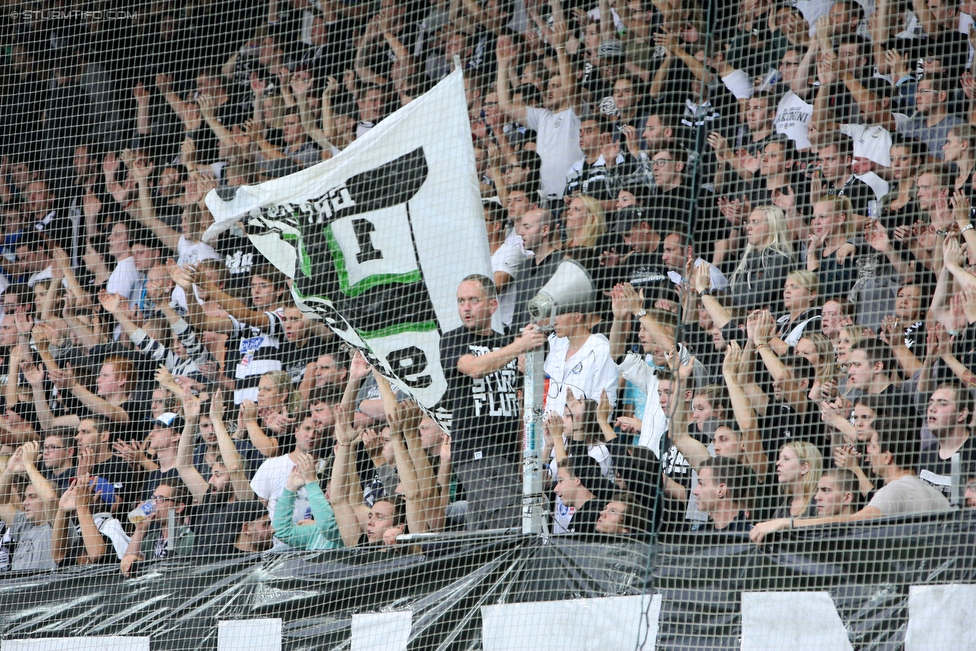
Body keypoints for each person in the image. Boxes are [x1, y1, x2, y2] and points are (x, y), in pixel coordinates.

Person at [439, 274, 545, 531]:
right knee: (515, 520)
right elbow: (475, 368)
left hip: (507, 453)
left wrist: (523, 355)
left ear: (492, 305)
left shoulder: (506, 341)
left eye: (474, 300)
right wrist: (518, 346)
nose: (466, 307)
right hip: (477, 452)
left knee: (484, 533)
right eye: (461, 301)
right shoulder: (452, 339)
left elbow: (520, 395)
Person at [750, 415, 952, 544]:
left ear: (886, 456)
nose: (867, 453)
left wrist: (788, 523)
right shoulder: (933, 493)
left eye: (872, 447)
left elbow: (852, 522)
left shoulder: (895, 491)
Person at [0, 442, 58, 571]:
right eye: (26, 497)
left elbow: (50, 499)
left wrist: (29, 464)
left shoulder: (56, 525)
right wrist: (10, 470)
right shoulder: (24, 524)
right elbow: (1, 503)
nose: (25, 502)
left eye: (32, 497)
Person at [119, 479, 192, 575]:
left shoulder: (189, 539)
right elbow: (125, 568)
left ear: (178, 507)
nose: (153, 503)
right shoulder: (151, 539)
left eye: (160, 499)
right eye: (153, 498)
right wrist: (139, 530)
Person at [918, 383, 976, 501]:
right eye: (930, 403)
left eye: (942, 403)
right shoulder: (926, 454)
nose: (932, 408)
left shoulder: (973, 453)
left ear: (962, 414)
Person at [691, 457, 755, 533]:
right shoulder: (699, 535)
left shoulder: (750, 535)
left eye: (701, 484)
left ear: (721, 491)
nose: (695, 491)